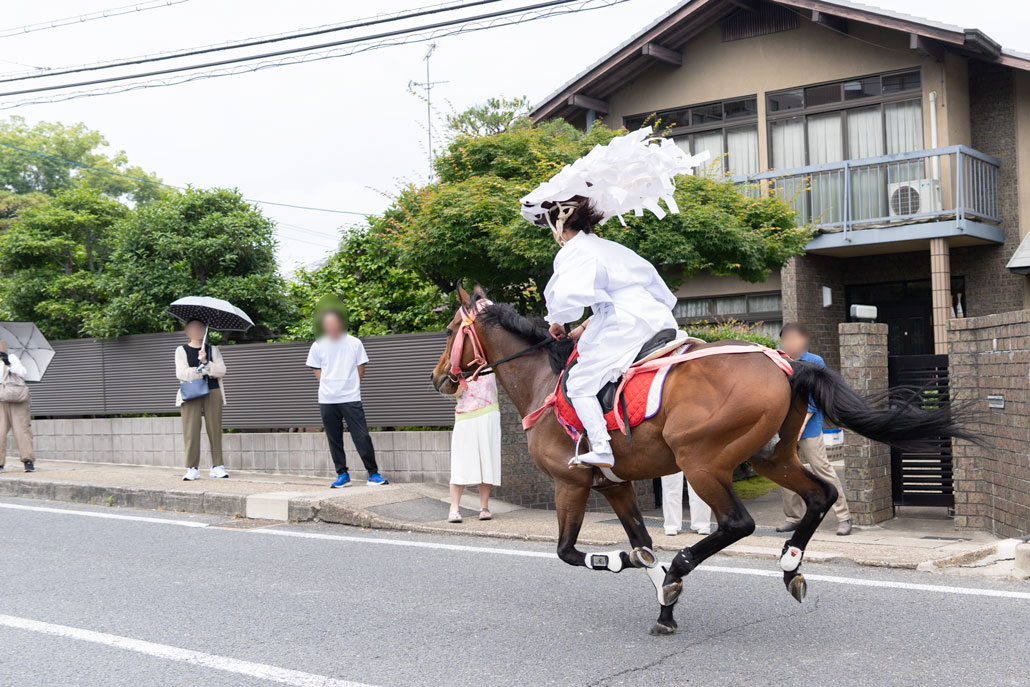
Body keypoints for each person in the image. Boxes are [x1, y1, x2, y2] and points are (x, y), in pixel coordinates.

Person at [541, 201, 678, 469]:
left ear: (559, 227)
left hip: (624, 324)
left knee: (579, 382)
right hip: (656, 318)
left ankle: (602, 448)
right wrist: (584, 327)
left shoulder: (574, 250)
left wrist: (557, 320)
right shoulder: (612, 247)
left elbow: (567, 299)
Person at [776, 323, 852, 536]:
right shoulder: (780, 360)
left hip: (809, 427)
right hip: (785, 427)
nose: (790, 342)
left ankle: (844, 517)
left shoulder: (815, 361)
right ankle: (793, 517)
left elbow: (816, 397)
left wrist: (801, 425)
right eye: (786, 338)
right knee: (785, 471)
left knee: (823, 470)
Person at [305, 297, 389, 488]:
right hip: (327, 398)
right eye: (327, 324)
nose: (331, 327)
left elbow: (361, 368)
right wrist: (330, 385)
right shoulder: (318, 345)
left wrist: (350, 385)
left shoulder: (354, 343)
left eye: (334, 323)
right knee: (334, 438)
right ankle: (342, 474)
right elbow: (317, 371)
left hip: (351, 397)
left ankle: (373, 474)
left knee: (361, 435)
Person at [174, 319, 228, 481]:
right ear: (187, 331)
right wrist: (204, 370)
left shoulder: (213, 350)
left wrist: (205, 362)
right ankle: (192, 468)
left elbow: (221, 370)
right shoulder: (181, 350)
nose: (197, 331)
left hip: (213, 391)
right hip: (191, 392)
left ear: (205, 331)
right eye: (193, 328)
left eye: (200, 328)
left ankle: (217, 466)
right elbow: (182, 373)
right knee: (191, 430)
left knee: (215, 429)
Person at [447, 373, 501, 523]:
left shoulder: (489, 364)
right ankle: (454, 508)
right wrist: (460, 380)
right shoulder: (457, 365)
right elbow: (453, 392)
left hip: (489, 412)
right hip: (465, 416)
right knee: (460, 463)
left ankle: (484, 507)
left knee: (486, 462)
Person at [0, 340, 35, 473]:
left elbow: (23, 373)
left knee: (22, 430)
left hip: (18, 399)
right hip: (1, 401)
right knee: (0, 432)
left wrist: (8, 363)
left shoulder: (12, 358)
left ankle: (28, 461)